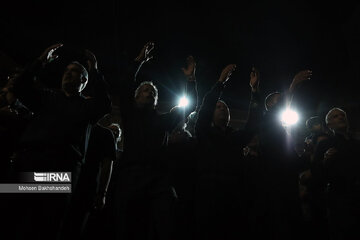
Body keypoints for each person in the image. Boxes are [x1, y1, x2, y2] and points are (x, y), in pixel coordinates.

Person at [9, 43, 111, 239]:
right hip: (26, 163)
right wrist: (40, 61)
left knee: (45, 222)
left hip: (59, 171)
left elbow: (105, 104)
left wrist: (95, 71)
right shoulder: (47, 97)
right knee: (11, 213)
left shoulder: (87, 107)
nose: (68, 73)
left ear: (83, 81)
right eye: (67, 70)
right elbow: (20, 87)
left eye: (75, 71)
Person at [115, 42, 197, 240]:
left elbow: (191, 105)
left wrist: (190, 79)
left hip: (158, 178)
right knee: (131, 226)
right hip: (132, 175)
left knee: (166, 224)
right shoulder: (130, 114)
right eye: (144, 90)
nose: (149, 92)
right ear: (135, 97)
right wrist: (139, 61)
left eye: (153, 92)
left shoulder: (163, 120)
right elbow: (125, 85)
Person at [194, 64, 261, 240]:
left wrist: (255, 92)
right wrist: (220, 82)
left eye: (225, 107)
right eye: (218, 107)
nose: (223, 108)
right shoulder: (204, 132)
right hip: (208, 194)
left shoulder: (236, 137)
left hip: (234, 194)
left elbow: (253, 124)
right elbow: (205, 109)